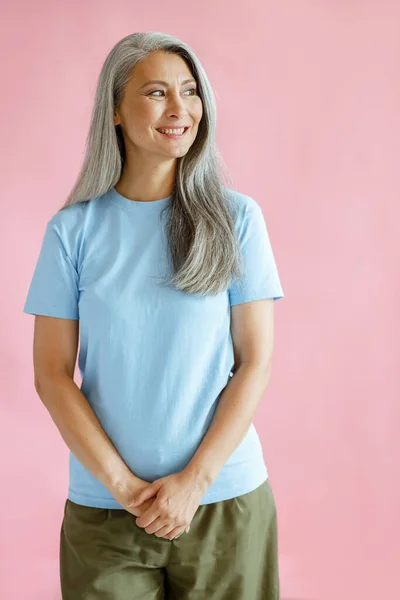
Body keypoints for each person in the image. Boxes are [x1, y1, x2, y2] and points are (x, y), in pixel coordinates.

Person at [23, 31, 285, 600]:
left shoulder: (237, 220)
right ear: (115, 110)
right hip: (106, 515)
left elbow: (255, 363)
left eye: (190, 92)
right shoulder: (72, 232)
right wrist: (122, 487)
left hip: (223, 506)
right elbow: (50, 373)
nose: (180, 110)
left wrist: (194, 483)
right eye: (157, 92)